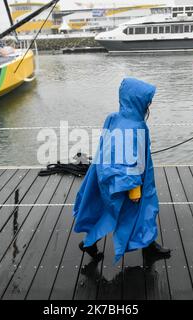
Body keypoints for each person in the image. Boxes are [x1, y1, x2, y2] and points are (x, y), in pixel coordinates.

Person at [72, 77, 170, 263]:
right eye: (147, 101)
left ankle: (93, 243)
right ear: (137, 100)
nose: (149, 105)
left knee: (114, 211)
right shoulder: (135, 126)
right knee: (132, 212)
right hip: (132, 183)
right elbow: (127, 160)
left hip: (114, 177)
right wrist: (134, 189)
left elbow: (107, 148)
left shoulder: (114, 118)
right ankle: (92, 243)